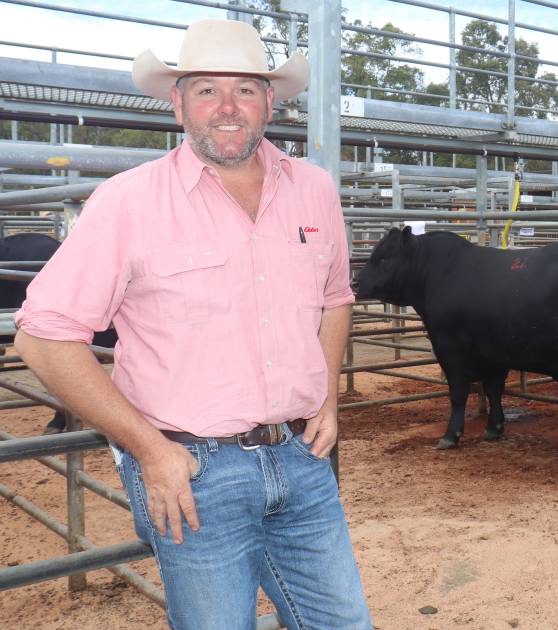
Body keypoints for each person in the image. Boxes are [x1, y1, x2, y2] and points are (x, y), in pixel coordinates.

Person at [14, 20, 373, 629]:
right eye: (207, 89)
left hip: (302, 460)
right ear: (177, 101)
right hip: (191, 471)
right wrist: (149, 450)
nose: (228, 108)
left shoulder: (314, 190)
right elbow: (43, 337)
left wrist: (328, 397)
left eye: (246, 89)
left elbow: (335, 297)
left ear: (270, 101)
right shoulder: (129, 201)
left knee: (345, 625)